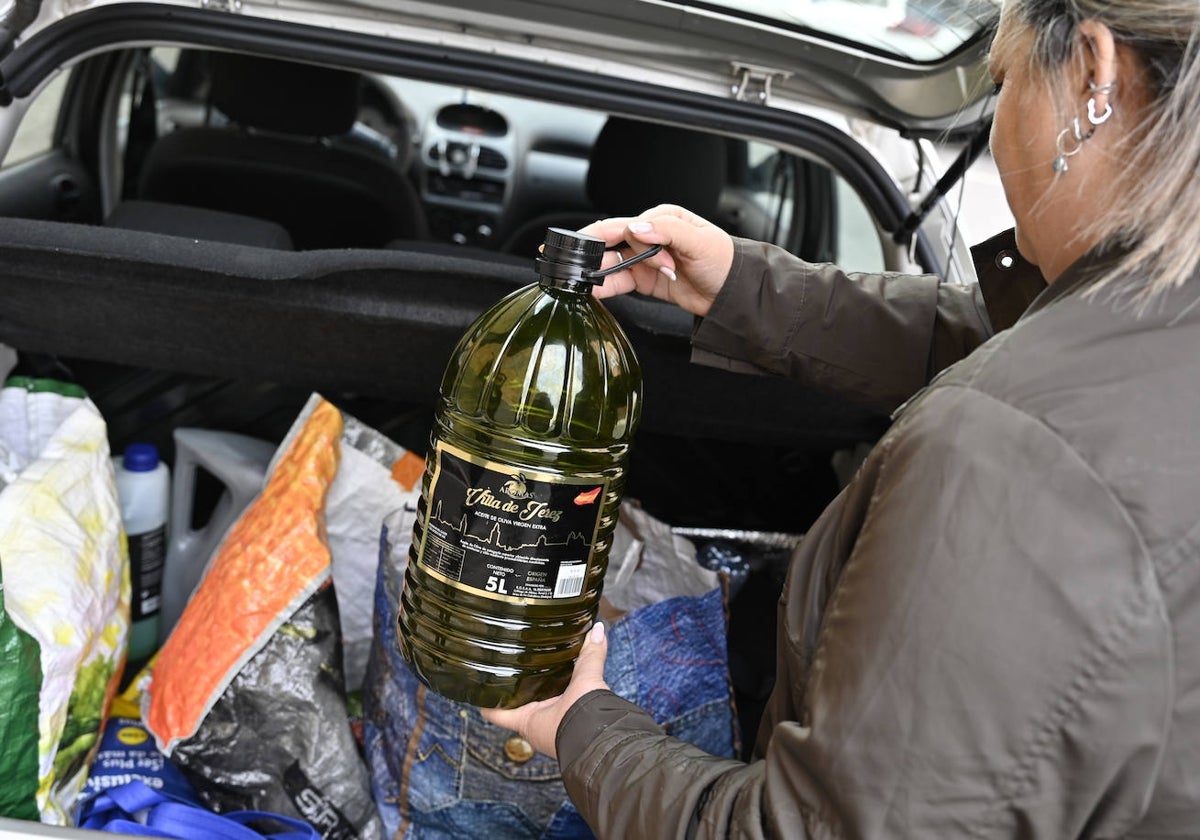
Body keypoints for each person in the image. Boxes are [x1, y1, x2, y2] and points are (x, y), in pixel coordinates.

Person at [484, 1, 1200, 836]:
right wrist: (740, 285)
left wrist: (584, 726)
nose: (997, 124)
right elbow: (996, 333)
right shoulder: (1144, 343)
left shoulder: (1011, 456)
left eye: (1000, 85)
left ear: (1092, 73)